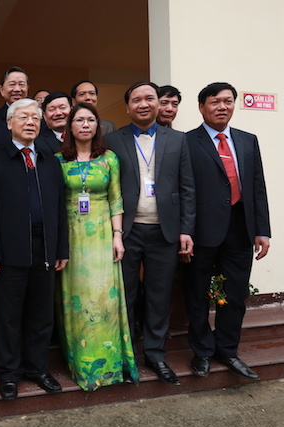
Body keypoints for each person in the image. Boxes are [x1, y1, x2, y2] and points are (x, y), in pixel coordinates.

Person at [104, 81, 195, 386]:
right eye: (136, 100)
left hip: (164, 231)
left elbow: (187, 188)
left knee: (158, 296)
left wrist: (186, 230)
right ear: (128, 106)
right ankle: (127, 356)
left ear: (159, 104)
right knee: (126, 296)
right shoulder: (111, 140)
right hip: (127, 231)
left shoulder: (179, 140)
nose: (143, 104)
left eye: (149, 99)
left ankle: (155, 355)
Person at [0, 98, 69, 400]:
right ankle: (9, 373)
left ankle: (38, 368)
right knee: (8, 316)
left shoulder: (49, 159)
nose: (30, 122)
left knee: (41, 315)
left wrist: (61, 248)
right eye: (23, 117)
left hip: (45, 249)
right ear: (9, 123)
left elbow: (60, 208)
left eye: (35, 117)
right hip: (9, 251)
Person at [184, 82, 270, 380]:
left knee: (235, 293)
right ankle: (202, 352)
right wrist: (186, 232)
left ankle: (228, 351)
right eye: (215, 101)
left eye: (228, 101)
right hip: (201, 231)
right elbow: (184, 191)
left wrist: (262, 230)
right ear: (201, 107)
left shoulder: (248, 141)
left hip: (240, 228)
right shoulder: (187, 142)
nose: (223, 106)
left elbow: (257, 187)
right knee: (197, 294)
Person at [55, 102, 139, 390]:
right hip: (72, 237)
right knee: (77, 301)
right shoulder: (58, 160)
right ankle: (82, 365)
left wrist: (118, 236)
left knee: (104, 299)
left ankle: (111, 365)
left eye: (91, 119)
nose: (85, 125)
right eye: (79, 120)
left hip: (103, 235)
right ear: (70, 127)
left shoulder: (110, 160)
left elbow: (117, 199)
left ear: (98, 126)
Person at [0, 66, 29, 149]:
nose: (17, 89)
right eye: (12, 84)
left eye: (21, 84)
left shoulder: (38, 118)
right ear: (2, 90)